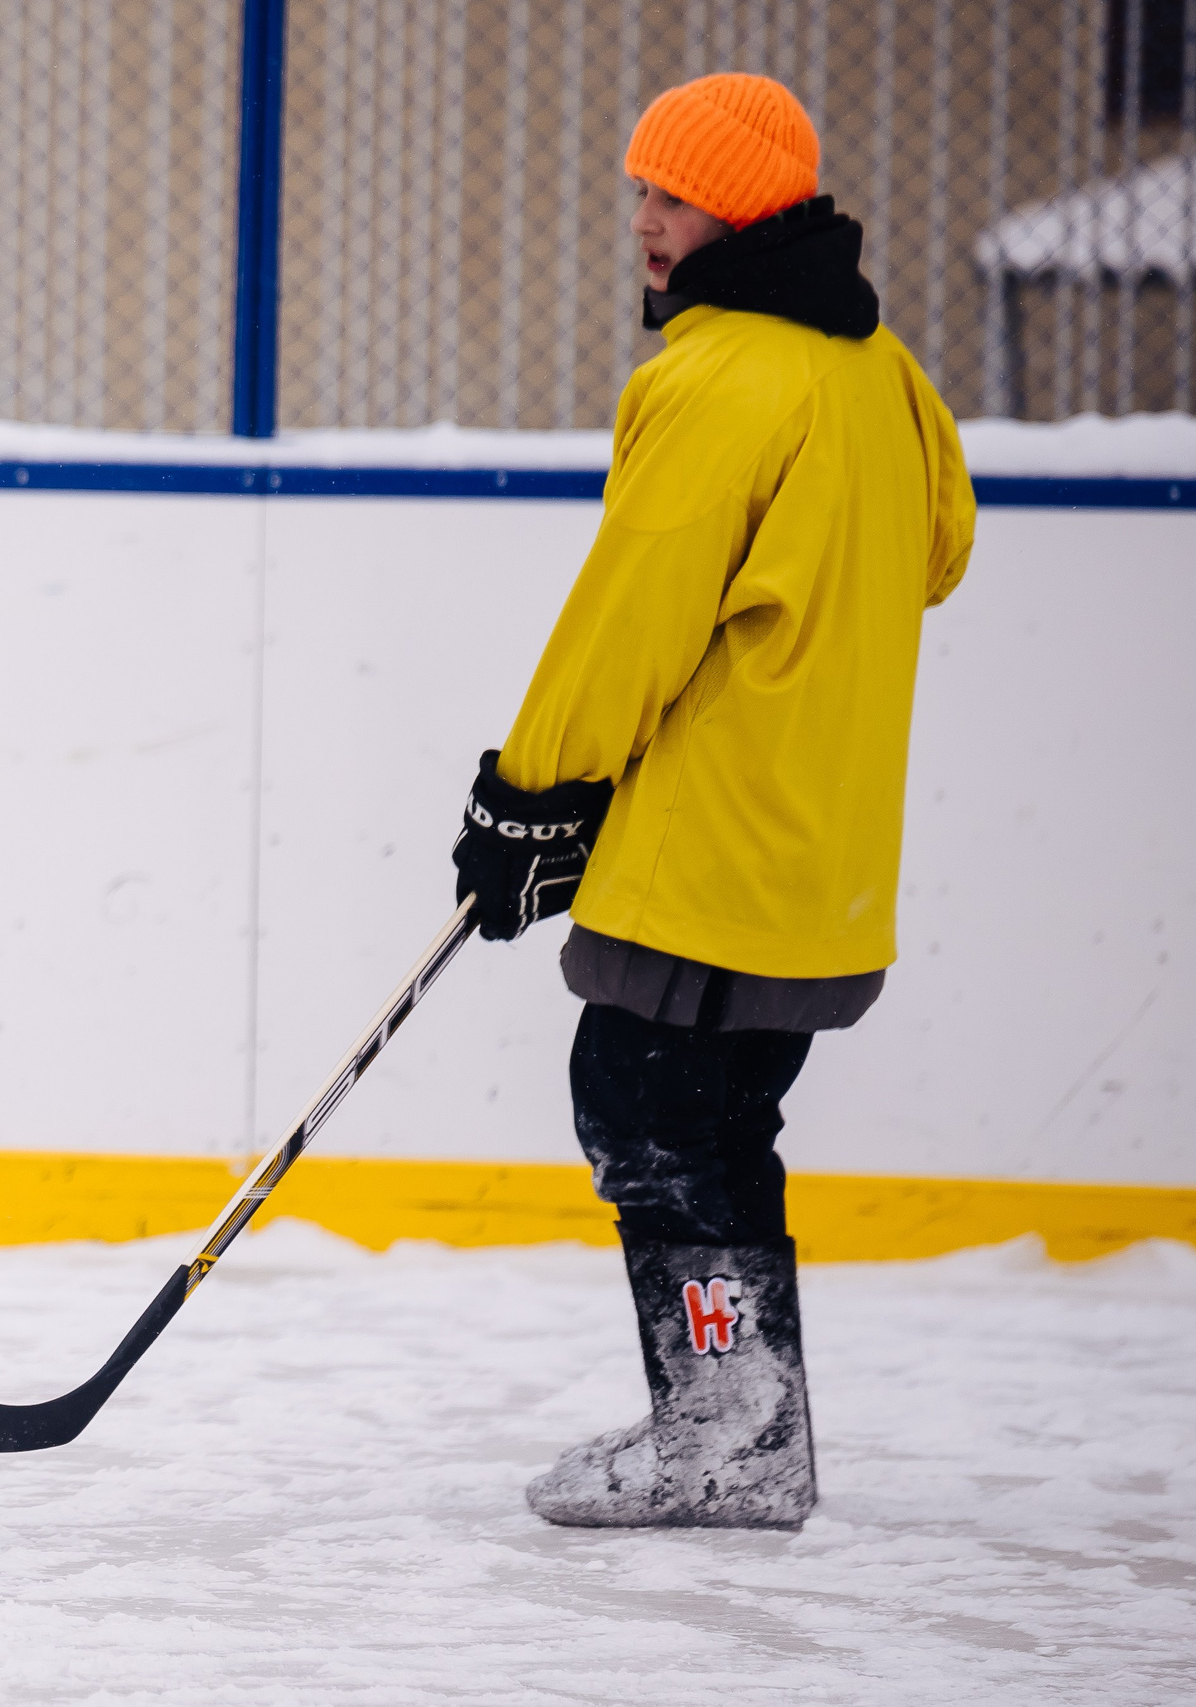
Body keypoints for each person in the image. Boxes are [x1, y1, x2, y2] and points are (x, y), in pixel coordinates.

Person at [450, 73, 973, 1529]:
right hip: (822, 856)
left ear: (740, 205)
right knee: (716, 1126)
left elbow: (632, 619)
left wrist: (528, 798)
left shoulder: (717, 376)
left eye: (668, 196)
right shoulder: (878, 370)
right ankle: (738, 1424)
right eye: (637, 192)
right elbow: (942, 546)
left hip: (713, 853)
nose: (642, 222)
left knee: (647, 1113)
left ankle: (731, 1431)